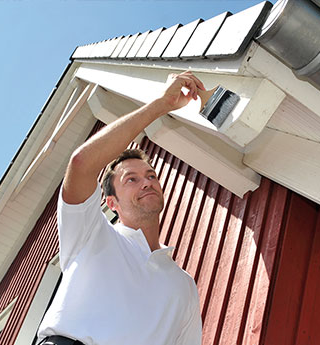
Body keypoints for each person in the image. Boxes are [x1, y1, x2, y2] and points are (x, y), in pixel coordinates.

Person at [36, 71, 206, 345]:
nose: (147, 183)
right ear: (111, 203)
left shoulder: (183, 286)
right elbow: (81, 163)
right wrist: (162, 104)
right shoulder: (91, 233)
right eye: (132, 179)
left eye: (151, 176)